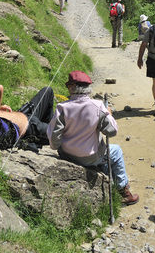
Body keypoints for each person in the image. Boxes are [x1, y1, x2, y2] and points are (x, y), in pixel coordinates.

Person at [47, 71, 139, 205]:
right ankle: (123, 190)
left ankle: (108, 177)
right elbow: (112, 131)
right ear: (88, 88)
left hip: (66, 154)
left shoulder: (62, 107)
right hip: (90, 157)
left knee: (107, 154)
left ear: (71, 88)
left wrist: (57, 147)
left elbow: (54, 139)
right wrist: (109, 115)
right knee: (116, 151)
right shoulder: (98, 106)